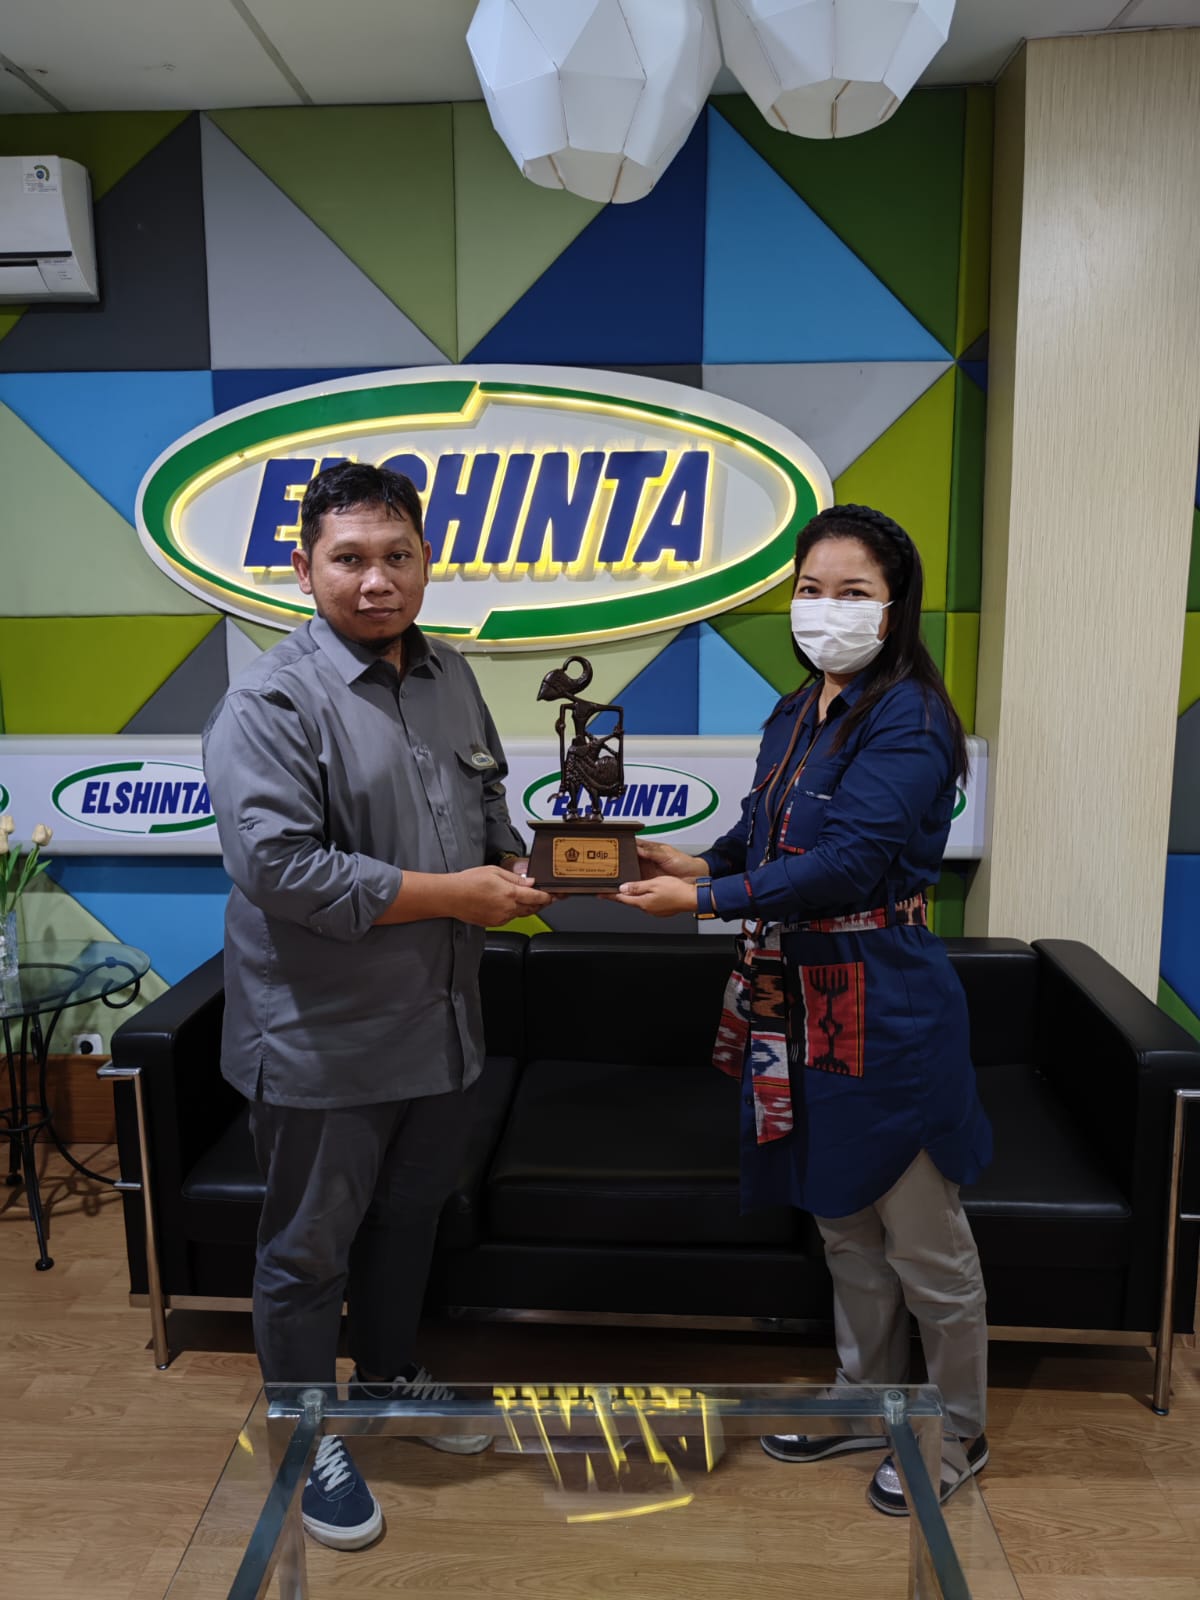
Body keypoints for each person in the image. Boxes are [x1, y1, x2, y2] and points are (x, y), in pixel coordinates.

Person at [614, 503, 993, 1517]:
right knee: (842, 1222)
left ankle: (957, 1429)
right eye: (812, 589)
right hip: (796, 997)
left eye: (854, 591)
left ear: (894, 606)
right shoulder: (796, 709)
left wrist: (705, 900)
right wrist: (691, 861)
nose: (827, 609)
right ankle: (864, 1398)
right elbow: (761, 834)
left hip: (887, 999)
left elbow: (849, 863)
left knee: (926, 1243)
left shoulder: (910, 717)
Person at [202, 461, 551, 1551]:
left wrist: (515, 861)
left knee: (411, 1217)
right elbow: (282, 871)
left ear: (426, 561)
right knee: (308, 1250)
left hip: (441, 1026)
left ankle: (390, 1374)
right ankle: (308, 1435)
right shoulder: (269, 701)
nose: (375, 580)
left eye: (397, 556)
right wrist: (457, 895)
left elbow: (485, 796)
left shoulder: (450, 674)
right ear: (303, 567)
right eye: (348, 558)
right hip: (324, 1041)